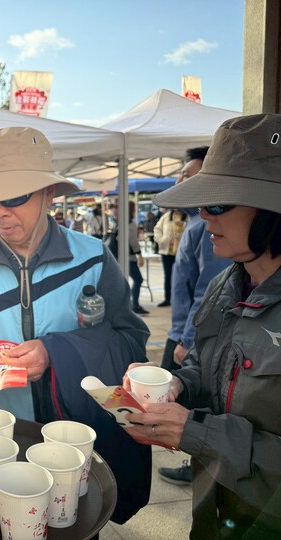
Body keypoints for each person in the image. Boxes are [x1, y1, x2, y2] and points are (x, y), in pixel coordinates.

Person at [0, 126, 152, 524]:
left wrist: (54, 352)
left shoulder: (92, 257)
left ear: (49, 193)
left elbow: (131, 341)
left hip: (75, 438)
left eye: (15, 197)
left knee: (74, 524)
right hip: (0, 438)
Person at [124, 113, 281, 539]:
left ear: (270, 210)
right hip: (212, 513)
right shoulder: (225, 285)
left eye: (216, 204)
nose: (201, 216)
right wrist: (175, 385)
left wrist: (196, 432)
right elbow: (206, 367)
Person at [158, 147, 232, 486]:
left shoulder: (211, 228)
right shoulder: (197, 222)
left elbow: (208, 289)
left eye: (188, 175)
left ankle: (196, 462)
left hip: (189, 333)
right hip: (183, 329)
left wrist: (187, 338)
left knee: (193, 404)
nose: (180, 181)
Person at [153, 205, 189, 307]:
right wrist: (161, 240)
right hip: (167, 252)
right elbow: (157, 229)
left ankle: (180, 299)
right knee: (168, 276)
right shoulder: (166, 216)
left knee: (182, 276)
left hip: (182, 252)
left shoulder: (188, 217)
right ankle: (167, 299)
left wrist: (184, 225)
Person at [127, 201, 148, 315]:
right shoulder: (130, 224)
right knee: (138, 279)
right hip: (129, 257)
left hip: (118, 256)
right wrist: (140, 255)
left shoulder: (119, 222)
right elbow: (133, 242)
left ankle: (131, 303)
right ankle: (134, 304)